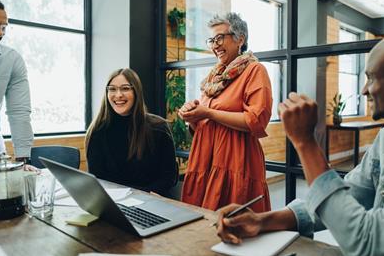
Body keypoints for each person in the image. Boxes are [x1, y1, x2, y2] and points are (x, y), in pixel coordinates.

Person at [216, 32, 384, 256]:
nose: (364, 90)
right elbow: (348, 195)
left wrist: (305, 143)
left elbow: (370, 243)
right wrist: (263, 221)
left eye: (371, 78)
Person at [179, 13, 272, 212]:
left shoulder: (255, 71)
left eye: (220, 38)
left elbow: (255, 120)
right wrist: (193, 117)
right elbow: (203, 124)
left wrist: (208, 113)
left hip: (236, 162)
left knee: (235, 225)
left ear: (240, 39)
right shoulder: (214, 77)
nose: (215, 45)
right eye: (212, 40)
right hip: (205, 159)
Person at [85, 68, 178, 196]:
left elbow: (169, 177)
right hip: (113, 202)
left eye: (125, 88)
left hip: (150, 201)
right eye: (112, 89)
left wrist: (145, 195)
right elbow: (97, 178)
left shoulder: (159, 128)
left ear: (136, 92)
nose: (118, 95)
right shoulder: (97, 130)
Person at [0, 0, 34, 165]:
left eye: (3, 27)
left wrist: (22, 159)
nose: (0, 33)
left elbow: (19, 112)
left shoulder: (11, 60)